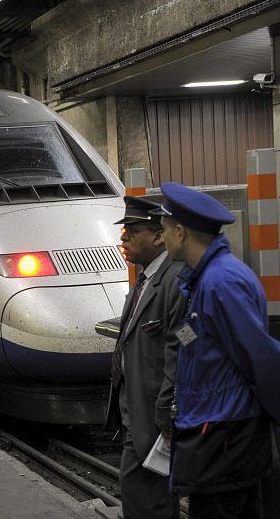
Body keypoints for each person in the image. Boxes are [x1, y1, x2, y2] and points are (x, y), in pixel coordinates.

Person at [151, 182, 280, 518]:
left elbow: (258, 355)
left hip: (224, 435)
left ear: (181, 232)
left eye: (164, 230)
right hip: (216, 429)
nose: (162, 238)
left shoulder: (221, 283)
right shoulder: (206, 279)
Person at [106, 196, 185, 518]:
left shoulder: (173, 281)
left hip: (153, 412)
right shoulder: (145, 278)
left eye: (131, 230)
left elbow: (176, 351)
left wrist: (166, 408)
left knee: (148, 494)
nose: (123, 238)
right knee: (139, 490)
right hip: (134, 405)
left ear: (157, 236)